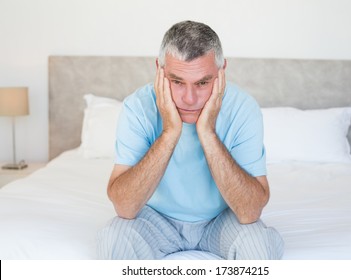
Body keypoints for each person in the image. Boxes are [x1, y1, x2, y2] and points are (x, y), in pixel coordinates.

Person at [97, 20, 283, 260]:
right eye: (177, 82)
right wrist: (169, 132)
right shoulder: (137, 107)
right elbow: (125, 207)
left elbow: (249, 212)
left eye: (203, 83)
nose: (189, 99)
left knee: (260, 246)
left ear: (221, 71)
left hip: (221, 220)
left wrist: (207, 132)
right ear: (159, 70)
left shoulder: (243, 108)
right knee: (113, 240)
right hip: (155, 219)